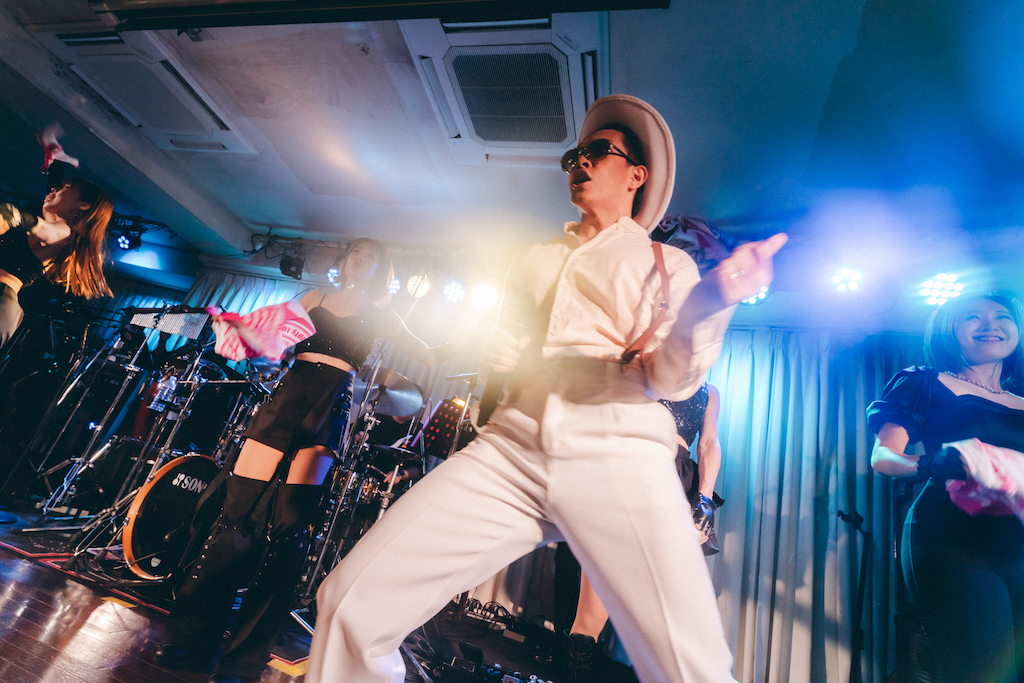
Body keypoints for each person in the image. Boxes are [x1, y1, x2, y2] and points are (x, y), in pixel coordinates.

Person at [305, 94, 786, 683]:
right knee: (349, 605)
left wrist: (710, 303)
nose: (579, 162)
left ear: (636, 175)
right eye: (573, 156)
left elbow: (672, 379)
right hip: (513, 444)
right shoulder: (534, 258)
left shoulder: (666, 263)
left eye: (598, 152)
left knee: (692, 669)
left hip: (616, 444)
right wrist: (501, 359)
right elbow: (509, 354)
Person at [155, 237, 453, 683]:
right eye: (355, 253)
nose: (360, 260)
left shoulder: (384, 315)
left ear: (382, 269)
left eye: (371, 256)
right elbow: (263, 335)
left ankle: (243, 661)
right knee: (234, 522)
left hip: (330, 406)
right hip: (288, 396)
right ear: (345, 261)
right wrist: (233, 326)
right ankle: (189, 641)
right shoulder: (316, 298)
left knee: (287, 534)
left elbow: (428, 353)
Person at [867, 293, 1024, 683]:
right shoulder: (924, 382)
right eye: (973, 317)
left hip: (1018, 542)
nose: (990, 324)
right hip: (951, 541)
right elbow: (883, 457)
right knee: (979, 672)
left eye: (1002, 316)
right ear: (947, 331)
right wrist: (928, 464)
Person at [558, 382, 725, 682]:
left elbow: (709, 443)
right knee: (594, 603)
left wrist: (705, 500)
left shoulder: (708, 392)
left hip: (674, 478)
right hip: (628, 465)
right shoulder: (643, 366)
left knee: (662, 614)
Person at [0, 179, 113, 344]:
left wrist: (14, 216)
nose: (54, 189)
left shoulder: (64, 234)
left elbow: (43, 228)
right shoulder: (52, 229)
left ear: (83, 205)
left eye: (66, 187)